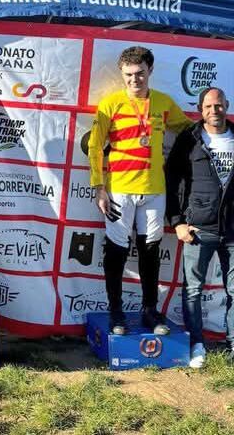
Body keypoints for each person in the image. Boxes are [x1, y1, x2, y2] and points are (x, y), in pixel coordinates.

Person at [88, 46, 193, 335]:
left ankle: (149, 309)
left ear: (150, 71)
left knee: (150, 251)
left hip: (155, 191)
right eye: (129, 75)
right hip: (120, 190)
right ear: (122, 74)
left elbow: (187, 129)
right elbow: (96, 146)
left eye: (140, 74)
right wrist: (99, 187)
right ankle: (116, 312)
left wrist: (218, 130)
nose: (135, 80)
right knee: (117, 252)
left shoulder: (163, 103)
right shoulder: (110, 104)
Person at [166, 87, 234, 372]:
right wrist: (177, 222)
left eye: (218, 105)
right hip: (199, 228)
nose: (214, 110)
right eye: (208, 106)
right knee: (193, 290)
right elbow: (172, 181)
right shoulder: (189, 139)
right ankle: (196, 343)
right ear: (200, 109)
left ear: (226, 106)